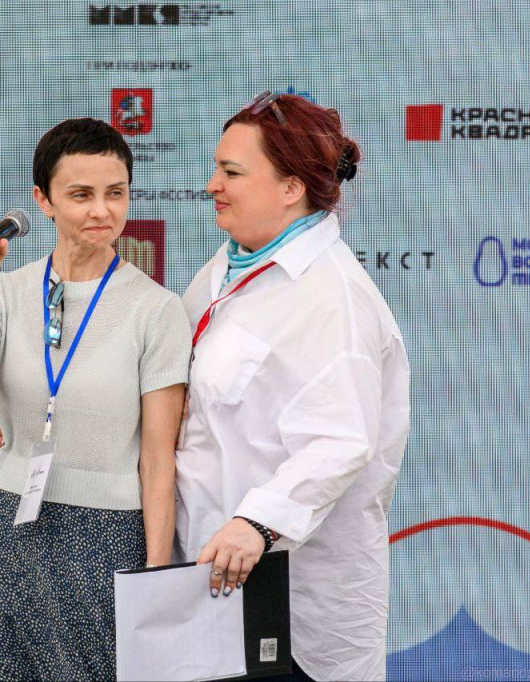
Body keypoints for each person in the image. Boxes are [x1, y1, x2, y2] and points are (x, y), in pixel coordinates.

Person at [0, 117, 190, 679]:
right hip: (6, 523)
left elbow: (158, 460)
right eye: (81, 195)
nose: (102, 211)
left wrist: (156, 577)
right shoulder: (4, 290)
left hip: (106, 535)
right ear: (43, 200)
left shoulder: (156, 309)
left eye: (116, 193)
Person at [176, 92, 410, 681]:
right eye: (216, 168)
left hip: (290, 613)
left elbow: (339, 441)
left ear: (291, 188)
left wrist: (256, 523)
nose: (212, 185)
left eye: (231, 172)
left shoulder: (333, 297)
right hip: (207, 586)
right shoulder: (227, 267)